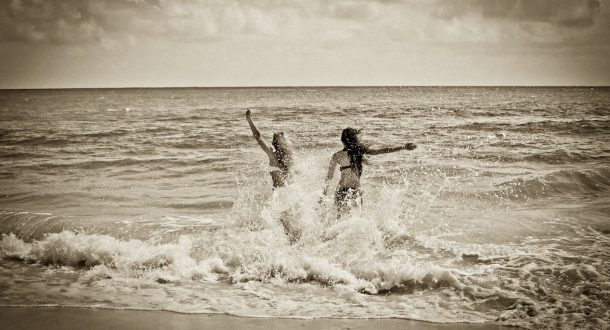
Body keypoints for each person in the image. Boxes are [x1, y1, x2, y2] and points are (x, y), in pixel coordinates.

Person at [323, 127, 416, 216]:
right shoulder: (360, 151)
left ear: (342, 140)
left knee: (339, 219)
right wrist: (403, 147)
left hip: (341, 190)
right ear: (355, 139)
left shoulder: (336, 156)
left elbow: (329, 177)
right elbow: (383, 150)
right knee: (356, 218)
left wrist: (323, 194)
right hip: (355, 190)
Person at [245, 109, 294, 188]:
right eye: (285, 139)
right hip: (281, 195)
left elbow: (258, 137)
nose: (287, 141)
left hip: (285, 194)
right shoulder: (275, 156)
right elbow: (258, 137)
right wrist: (249, 120)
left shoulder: (289, 157)